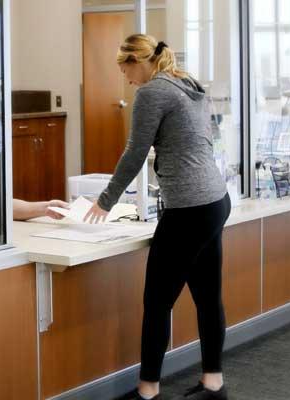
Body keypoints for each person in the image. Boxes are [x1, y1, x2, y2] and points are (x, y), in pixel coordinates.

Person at [85, 34, 231, 400]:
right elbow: (200, 140)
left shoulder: (152, 93)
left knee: (157, 302)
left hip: (189, 208)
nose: (127, 80)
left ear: (138, 61)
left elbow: (135, 152)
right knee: (207, 296)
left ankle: (148, 391)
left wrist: (105, 201)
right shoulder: (187, 84)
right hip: (215, 199)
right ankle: (214, 384)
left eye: (126, 71)